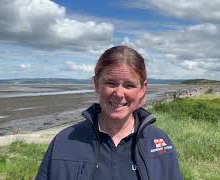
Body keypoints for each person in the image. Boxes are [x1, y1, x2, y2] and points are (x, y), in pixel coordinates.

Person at [36, 46, 183, 180]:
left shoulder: (159, 143)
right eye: (111, 83)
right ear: (96, 84)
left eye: (129, 85)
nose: (119, 94)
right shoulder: (65, 141)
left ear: (142, 89)